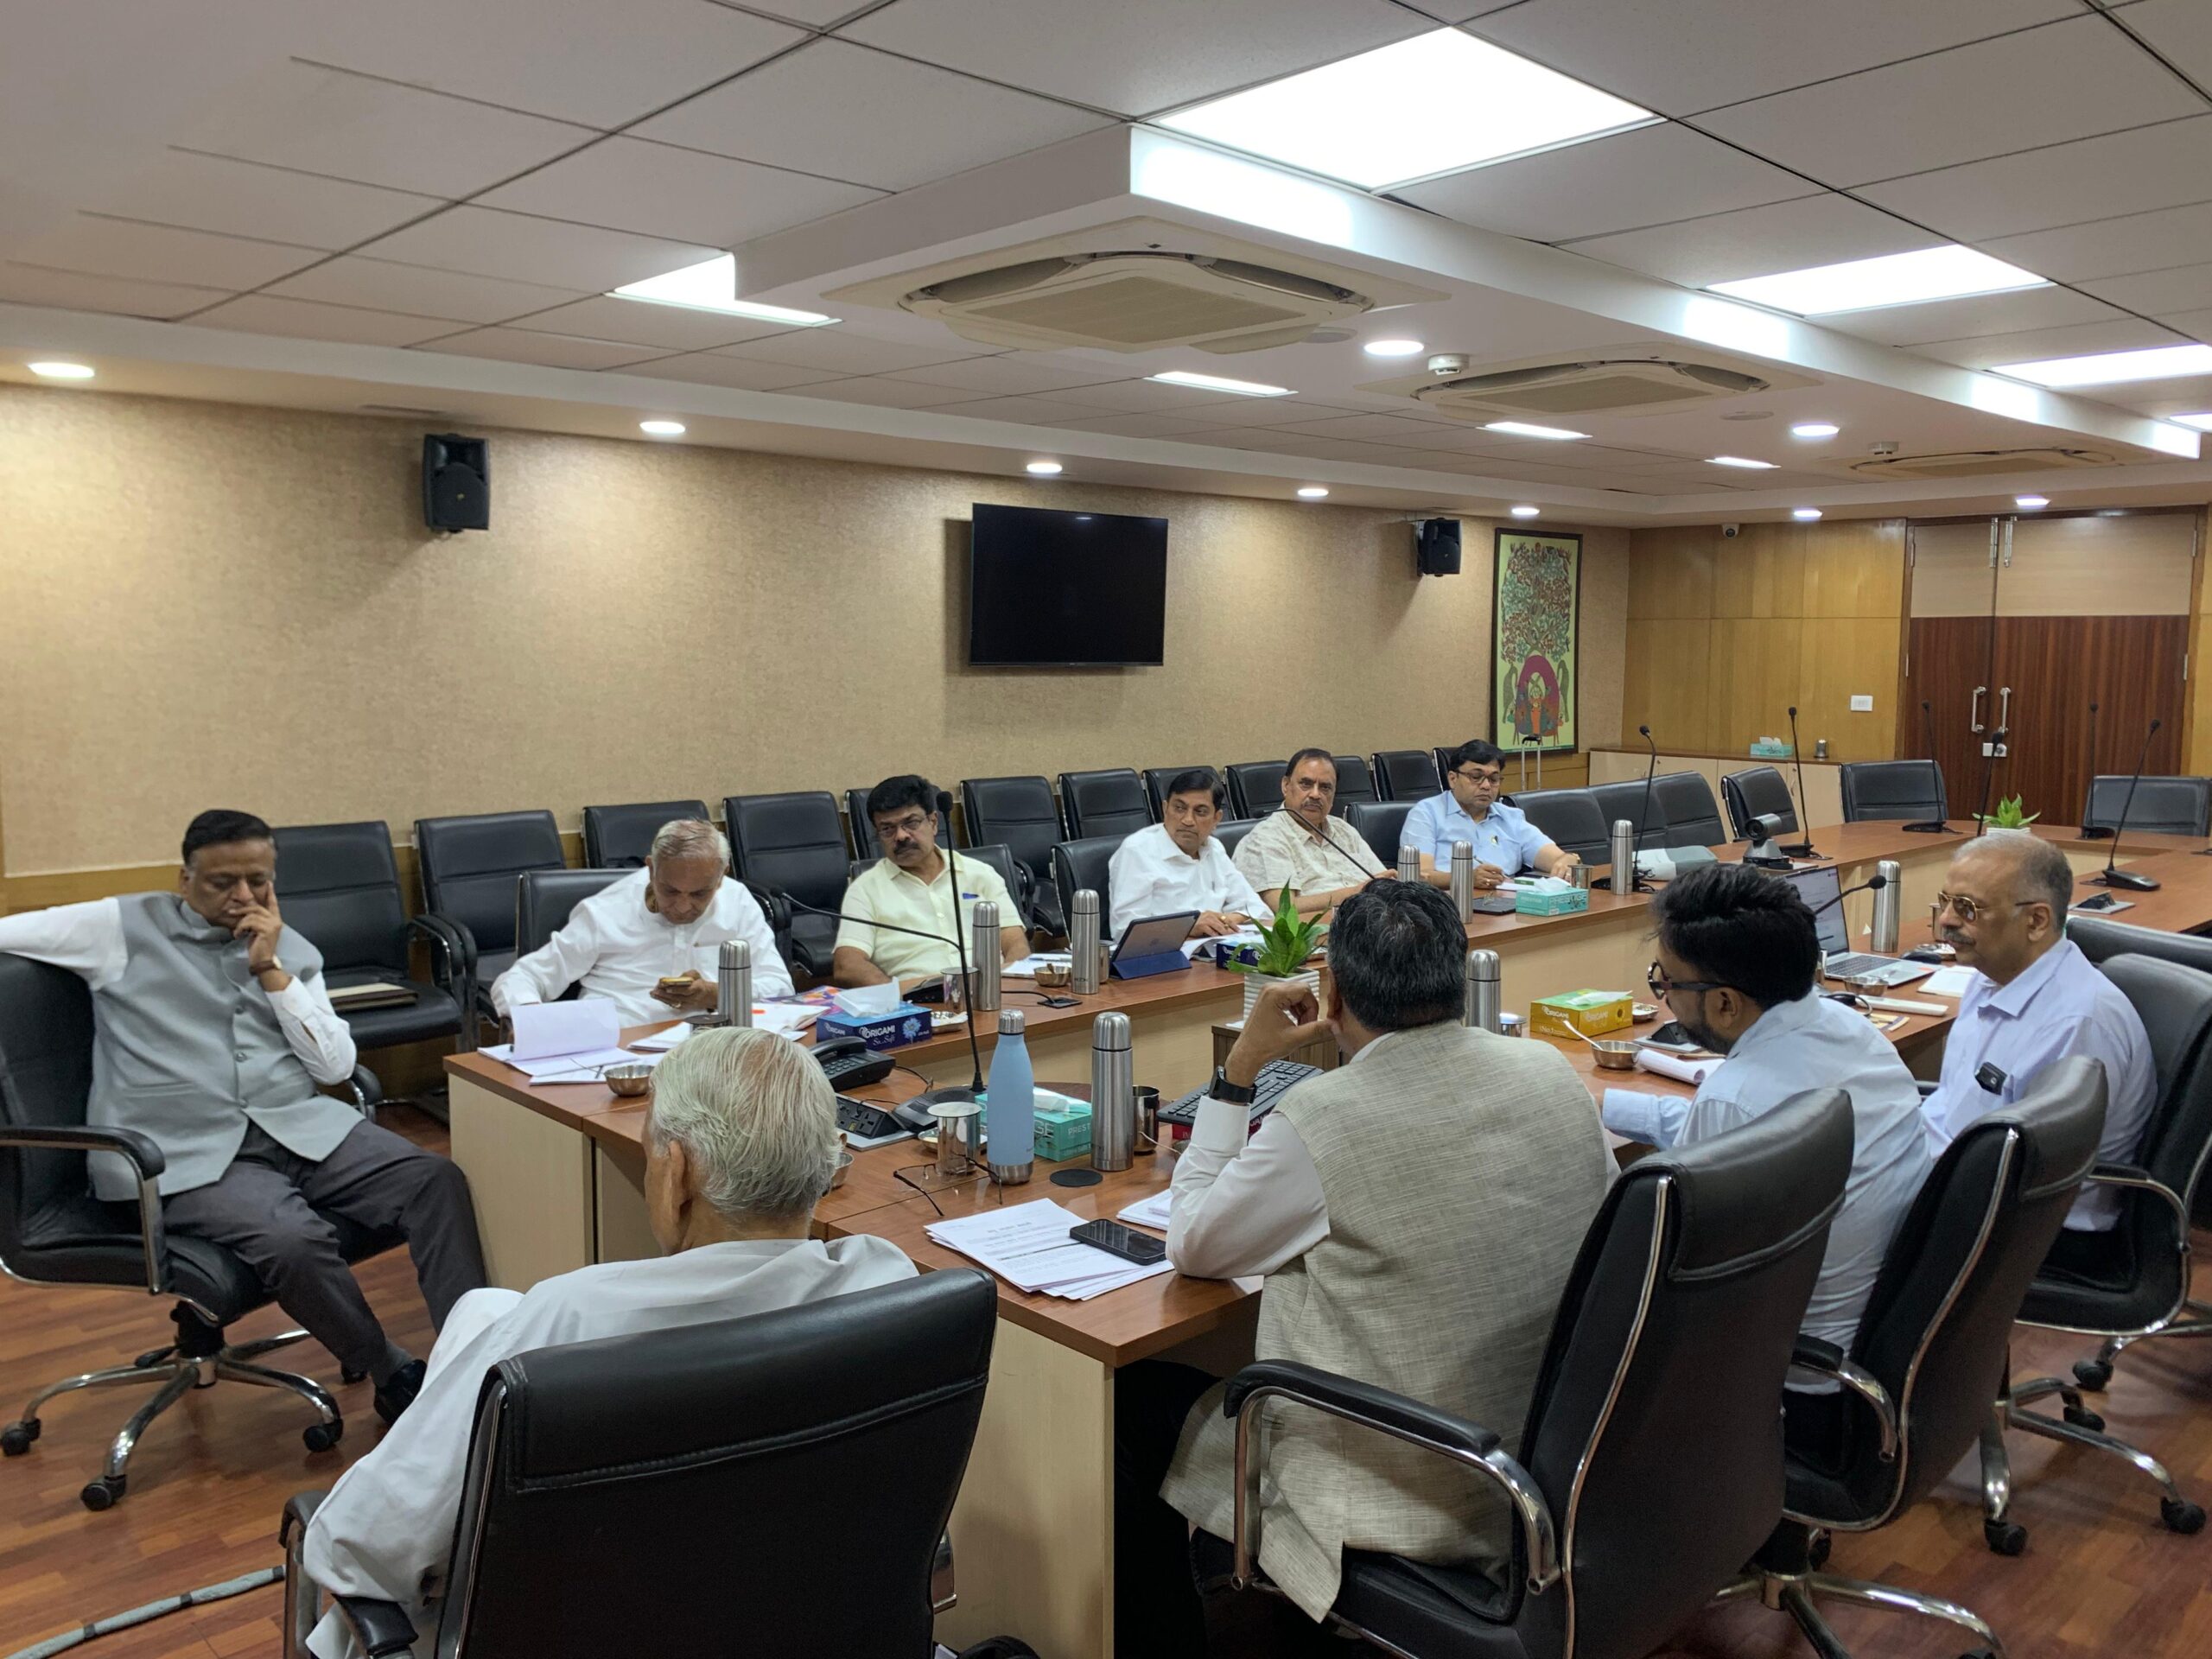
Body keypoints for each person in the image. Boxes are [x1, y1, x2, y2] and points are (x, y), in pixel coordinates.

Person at [299, 1027, 915, 1658]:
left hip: (586, 1629)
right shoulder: (888, 1288)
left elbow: (356, 1548)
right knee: (484, 1311)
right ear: (829, 1163)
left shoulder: (567, 1328)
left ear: (677, 1173)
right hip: (801, 1620)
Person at [1115, 881, 1613, 1656]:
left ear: (1334, 993)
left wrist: (1239, 1067)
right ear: (1459, 973)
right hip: (1553, 1452)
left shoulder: (1324, 1117)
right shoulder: (1547, 1068)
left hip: (1417, 1478)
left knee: (1131, 1403)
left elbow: (1194, 1245)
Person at [0, 810, 485, 1423]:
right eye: (222, 882)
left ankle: (474, 1362)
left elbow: (335, 1066)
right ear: (184, 880)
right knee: (291, 1239)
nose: (243, 896)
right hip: (179, 1149)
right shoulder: (118, 927)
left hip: (296, 1124)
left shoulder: (290, 948)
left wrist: (271, 971)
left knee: (435, 1181)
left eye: (258, 881)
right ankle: (389, 1369)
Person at [1600, 861, 1929, 1348]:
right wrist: (1606, 1106)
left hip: (1784, 1357)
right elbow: (1741, 1131)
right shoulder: (1853, 1031)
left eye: (1666, 983)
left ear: (1725, 1004)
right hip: (1883, 1322)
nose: (1665, 997)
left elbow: (1677, 1266)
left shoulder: (1734, 1098)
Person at [1921, 834, 2154, 1237]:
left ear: (2036, 921)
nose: (1946, 920)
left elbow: (2032, 1172)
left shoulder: (2077, 1022)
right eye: (1946, 901)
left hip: (2032, 1228)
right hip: (1960, 1176)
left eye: (1968, 908)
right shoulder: (1989, 977)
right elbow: (1954, 1104)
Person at [491, 818, 790, 1025]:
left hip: (710, 1049)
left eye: (700, 893)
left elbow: (780, 986)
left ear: (721, 877)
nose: (683, 906)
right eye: (670, 891)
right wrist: (530, 1020)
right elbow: (520, 979)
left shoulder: (738, 901)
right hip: (621, 1048)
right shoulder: (605, 911)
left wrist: (715, 994)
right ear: (651, 869)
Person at [833, 774, 1027, 989]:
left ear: (933, 822)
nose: (901, 836)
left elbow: (1015, 943)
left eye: (911, 823)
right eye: (887, 829)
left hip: (991, 991)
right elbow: (847, 965)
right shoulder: (865, 890)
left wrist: (1008, 988)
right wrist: (897, 997)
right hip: (917, 998)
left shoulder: (980, 874)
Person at [1230, 748, 1390, 918]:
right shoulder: (1265, 838)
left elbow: (1380, 881)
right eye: (1306, 784)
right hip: (1316, 930)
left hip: (1370, 923)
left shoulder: (1344, 830)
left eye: (1325, 787)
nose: (1315, 794)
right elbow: (1284, 909)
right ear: (1286, 786)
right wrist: (1354, 893)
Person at [1108, 768, 1267, 938]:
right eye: (1179, 808)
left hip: (1214, 945)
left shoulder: (1214, 848)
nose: (1188, 820)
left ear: (1217, 818)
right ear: (1165, 809)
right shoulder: (1137, 851)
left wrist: (1220, 921)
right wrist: (1188, 926)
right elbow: (1124, 930)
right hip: (1165, 951)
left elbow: (1257, 909)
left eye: (1200, 812)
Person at [1404, 739, 1578, 888]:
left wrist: (1566, 860)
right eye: (1476, 777)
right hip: (1448, 902)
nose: (1486, 786)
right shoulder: (1426, 814)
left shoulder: (1511, 817)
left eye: (1494, 779)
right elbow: (1418, 876)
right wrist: (1466, 878)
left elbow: (1556, 858)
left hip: (1506, 901)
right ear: (1453, 779)